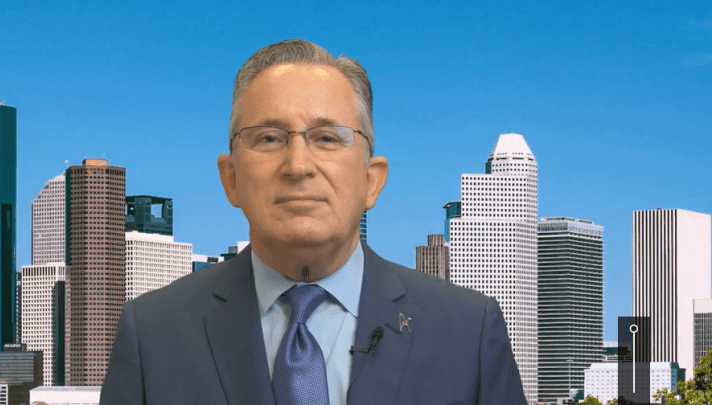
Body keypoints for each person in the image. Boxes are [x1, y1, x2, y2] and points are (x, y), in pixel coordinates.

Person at [99, 39, 527, 405]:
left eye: (327, 138)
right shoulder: (152, 334)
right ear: (230, 178)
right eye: (269, 138)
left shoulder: (468, 332)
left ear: (371, 181)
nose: (298, 165)